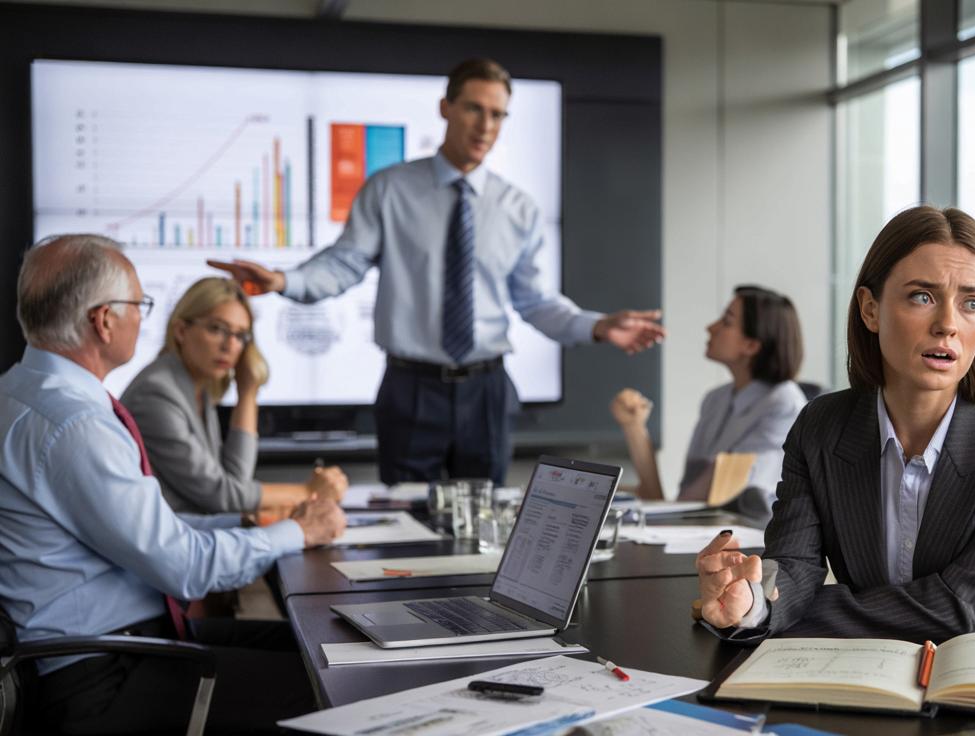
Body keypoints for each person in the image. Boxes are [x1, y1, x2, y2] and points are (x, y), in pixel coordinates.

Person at [208, 58, 665, 486]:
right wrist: (284, 281)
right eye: (474, 108)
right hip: (410, 387)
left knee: (487, 529)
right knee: (406, 526)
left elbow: (536, 302)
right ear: (445, 108)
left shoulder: (517, 209)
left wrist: (599, 325)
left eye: (498, 115)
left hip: (486, 389)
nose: (485, 125)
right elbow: (344, 263)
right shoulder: (390, 189)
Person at [0, 234, 346, 734]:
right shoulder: (74, 425)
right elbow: (183, 568)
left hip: (109, 647)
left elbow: (149, 527)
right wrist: (298, 534)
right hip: (101, 675)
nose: (143, 318)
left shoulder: (20, 393)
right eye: (138, 305)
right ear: (103, 320)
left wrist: (253, 521)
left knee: (319, 646)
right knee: (331, 687)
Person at [695, 206, 975, 643]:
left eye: (972, 303)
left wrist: (776, 608)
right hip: (869, 669)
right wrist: (750, 601)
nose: (947, 324)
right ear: (870, 310)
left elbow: (959, 606)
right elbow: (795, 564)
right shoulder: (821, 425)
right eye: (922, 296)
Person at [120, 277, 348, 516]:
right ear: (181, 330)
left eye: (240, 335)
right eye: (217, 329)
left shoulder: (197, 388)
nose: (230, 345)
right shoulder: (157, 394)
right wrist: (307, 491)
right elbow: (222, 496)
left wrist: (247, 393)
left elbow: (236, 479)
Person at [610, 285, 805, 513]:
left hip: (748, 539)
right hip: (699, 528)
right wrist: (634, 428)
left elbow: (702, 502)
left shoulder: (783, 405)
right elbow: (680, 504)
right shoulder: (716, 400)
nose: (710, 328)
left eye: (726, 321)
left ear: (751, 345)